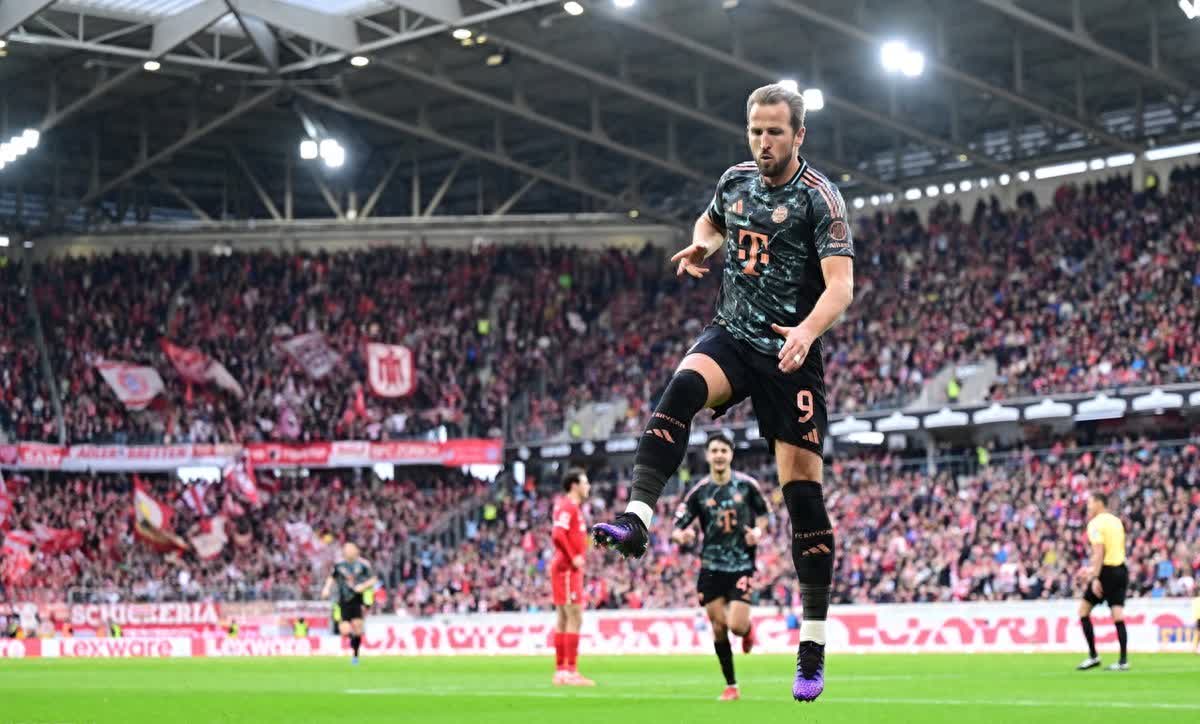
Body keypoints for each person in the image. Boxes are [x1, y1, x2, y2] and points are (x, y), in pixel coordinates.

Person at [592, 82, 854, 702]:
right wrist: (702, 244)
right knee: (682, 388)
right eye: (756, 131)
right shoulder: (734, 181)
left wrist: (807, 332)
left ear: (799, 135)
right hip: (733, 334)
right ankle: (637, 519)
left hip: (789, 351)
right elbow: (711, 222)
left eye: (775, 132)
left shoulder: (820, 199)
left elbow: (841, 286)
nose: (764, 142)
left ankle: (813, 642)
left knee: (803, 496)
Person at [671, 434, 769, 701]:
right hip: (711, 566)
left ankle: (748, 630)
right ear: (707, 455)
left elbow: (764, 514)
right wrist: (682, 536)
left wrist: (758, 532)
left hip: (741, 564)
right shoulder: (699, 492)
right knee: (718, 627)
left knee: (736, 625)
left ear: (731, 454)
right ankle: (731, 685)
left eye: (723, 450)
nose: (719, 455)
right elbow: (677, 527)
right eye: (714, 451)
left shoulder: (747, 486)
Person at [551, 468, 595, 686]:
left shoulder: (572, 508)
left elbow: (568, 535)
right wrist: (573, 557)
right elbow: (557, 534)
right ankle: (570, 671)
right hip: (567, 569)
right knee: (574, 617)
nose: (588, 487)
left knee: (563, 618)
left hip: (565, 568)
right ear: (574, 485)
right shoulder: (568, 506)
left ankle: (561, 671)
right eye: (585, 483)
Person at [1076, 492, 1129, 671]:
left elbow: (1100, 552)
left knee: (1083, 611)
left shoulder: (1095, 524)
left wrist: (1095, 577)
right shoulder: (1117, 521)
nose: (1088, 507)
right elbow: (1115, 550)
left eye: (1090, 503)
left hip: (1106, 572)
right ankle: (1123, 661)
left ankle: (1093, 656)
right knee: (1118, 615)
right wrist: (1091, 570)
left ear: (1099, 503)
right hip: (1120, 570)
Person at [322, 542, 378, 665]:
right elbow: (332, 577)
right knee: (344, 630)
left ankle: (355, 655)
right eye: (346, 549)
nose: (348, 551)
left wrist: (363, 586)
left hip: (357, 600)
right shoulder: (339, 565)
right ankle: (353, 642)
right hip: (343, 600)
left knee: (358, 628)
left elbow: (373, 579)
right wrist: (326, 588)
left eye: (350, 549)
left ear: (356, 551)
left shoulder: (363, 564)